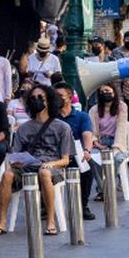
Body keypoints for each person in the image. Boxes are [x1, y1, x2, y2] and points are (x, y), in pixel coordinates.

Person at [0, 85, 73, 236]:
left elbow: (65, 160)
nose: (36, 101)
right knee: (7, 175)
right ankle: (2, 221)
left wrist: (51, 164)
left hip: (52, 167)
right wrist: (17, 162)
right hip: (28, 166)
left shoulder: (62, 127)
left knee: (44, 172)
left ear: (49, 101)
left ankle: (50, 220)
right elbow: (15, 154)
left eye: (41, 98)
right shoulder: (24, 128)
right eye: (33, 98)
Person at [52, 82, 97, 221]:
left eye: (60, 96)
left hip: (76, 153)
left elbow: (87, 135)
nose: (57, 99)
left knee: (88, 168)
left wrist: (87, 150)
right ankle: (45, 206)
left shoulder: (81, 116)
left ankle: (83, 206)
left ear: (70, 97)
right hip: (56, 154)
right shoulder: (51, 117)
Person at [89, 83, 129, 203]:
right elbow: (92, 132)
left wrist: (115, 147)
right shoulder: (94, 110)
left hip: (118, 142)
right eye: (102, 92)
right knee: (92, 158)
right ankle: (103, 189)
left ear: (114, 92)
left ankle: (108, 187)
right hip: (101, 142)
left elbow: (122, 127)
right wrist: (98, 145)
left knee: (117, 159)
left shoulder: (122, 107)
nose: (105, 94)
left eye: (107, 91)